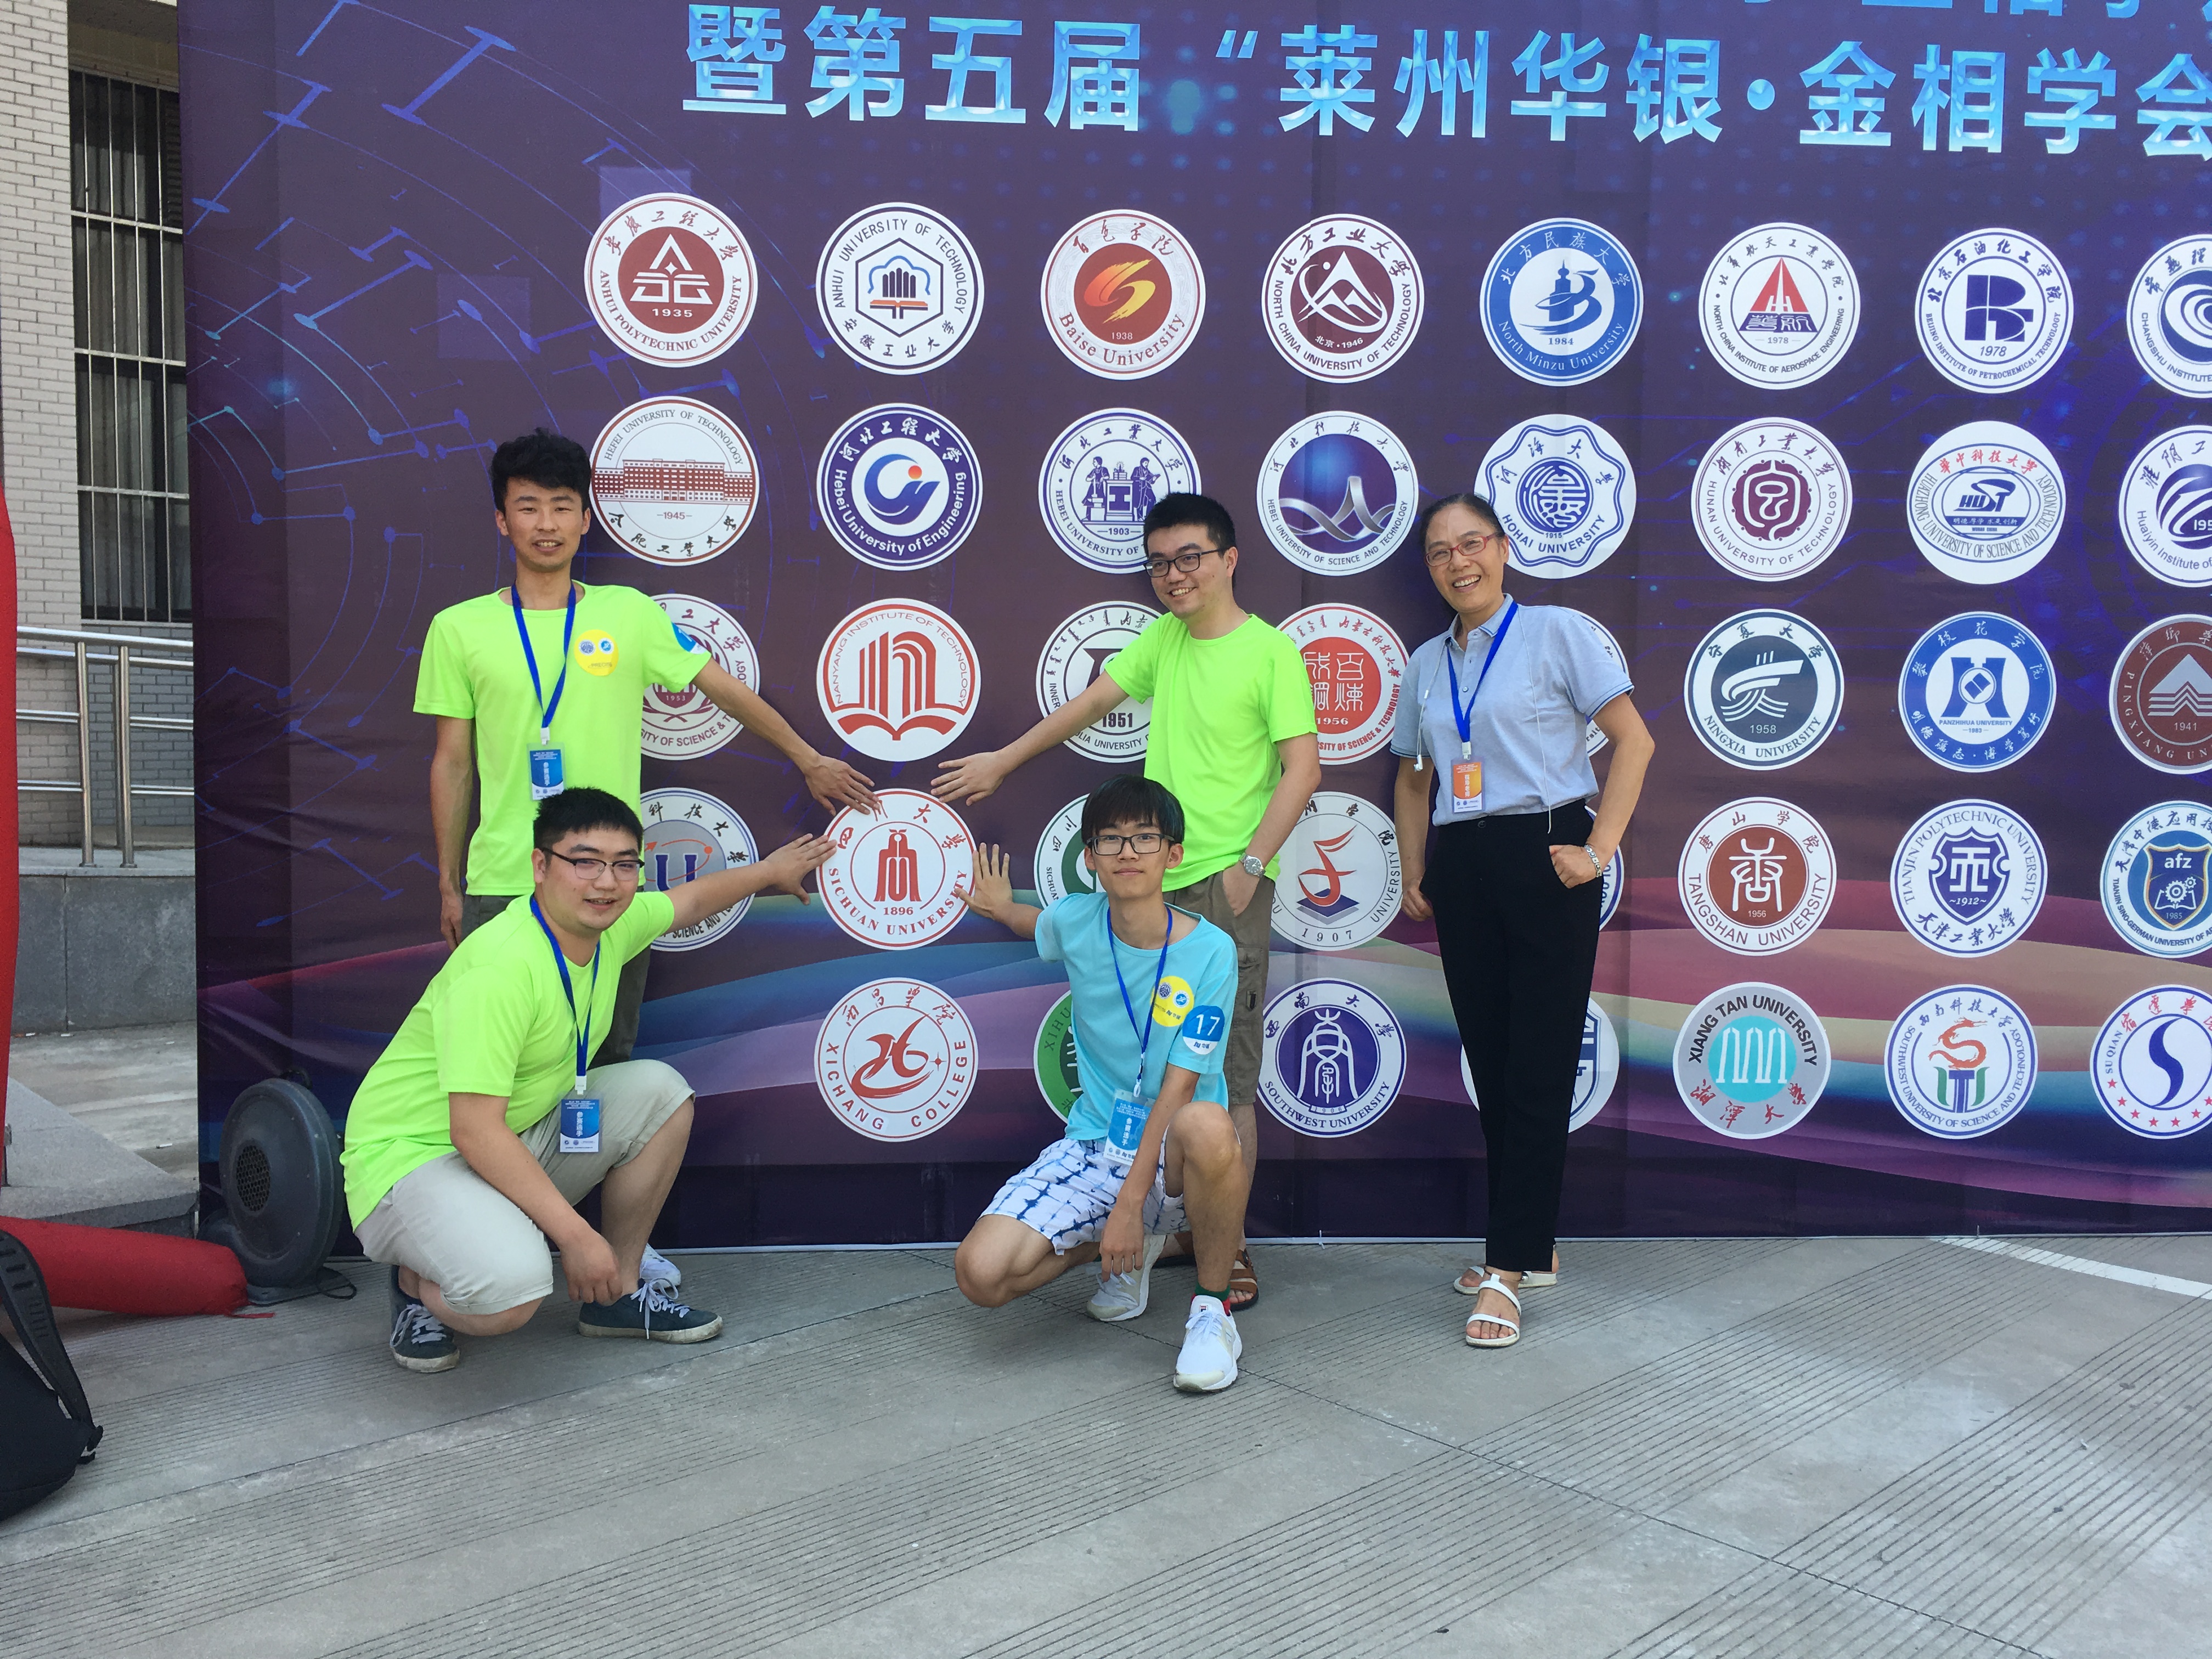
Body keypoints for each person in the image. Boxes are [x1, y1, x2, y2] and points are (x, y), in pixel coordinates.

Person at [935, 493, 1319, 1311]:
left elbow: (1304, 768)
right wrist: (1003, 760)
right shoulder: (1164, 639)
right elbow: (1091, 705)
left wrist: (1250, 866)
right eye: (1159, 564)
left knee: (1227, 1084)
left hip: (1223, 888)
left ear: (1229, 559)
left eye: (1190, 558)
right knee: (1150, 1064)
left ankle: (1227, 1251)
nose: (1174, 576)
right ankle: (1153, 1226)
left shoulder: (1269, 652)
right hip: (1151, 882)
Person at [420, 428, 875, 1067]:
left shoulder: (629, 614)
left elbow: (723, 689)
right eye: (528, 507)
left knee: (603, 1065)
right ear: (503, 520)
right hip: (503, 880)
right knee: (493, 1065)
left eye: (561, 506)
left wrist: (808, 758)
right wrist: (449, 885)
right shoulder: (457, 628)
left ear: (585, 519)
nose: (546, 524)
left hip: (608, 885)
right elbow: (452, 762)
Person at [341, 786, 833, 1372]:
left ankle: (615, 1296)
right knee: (509, 1297)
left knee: (660, 1093)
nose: (607, 882)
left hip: (507, 1134)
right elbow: (472, 1129)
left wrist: (770, 872)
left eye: (624, 865)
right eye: (585, 862)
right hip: (410, 1157)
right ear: (540, 866)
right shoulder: (499, 969)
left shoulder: (608, 928)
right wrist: (576, 1238)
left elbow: (691, 901)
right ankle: (414, 1283)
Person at [1391, 492, 1654, 1351]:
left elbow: (1634, 741)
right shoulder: (1427, 663)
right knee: (1495, 1061)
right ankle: (1527, 1242)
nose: (1458, 562)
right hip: (1464, 864)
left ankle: (1508, 1269)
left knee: (1539, 1063)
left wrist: (1598, 850)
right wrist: (1415, 865)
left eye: (1471, 544)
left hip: (1547, 852)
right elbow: (1414, 776)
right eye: (1440, 552)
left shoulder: (1555, 633)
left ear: (1503, 548)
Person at [952, 777, 1252, 1391]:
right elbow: (1037, 922)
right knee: (980, 1274)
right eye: (1110, 840)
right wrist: (1000, 906)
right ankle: (1128, 1249)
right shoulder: (1075, 920)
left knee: (1207, 1121)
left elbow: (1178, 1088)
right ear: (1090, 858)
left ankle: (1211, 1312)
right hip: (1096, 1144)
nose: (1127, 852)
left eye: (1145, 838)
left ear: (1173, 854)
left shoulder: (1212, 951)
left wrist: (1129, 1205)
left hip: (1175, 1155)